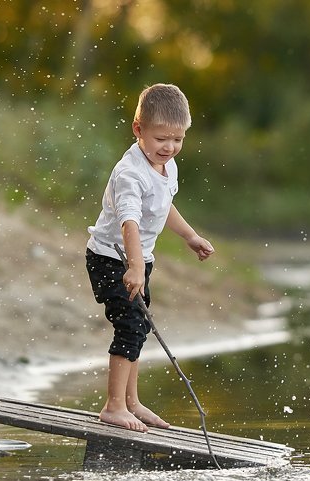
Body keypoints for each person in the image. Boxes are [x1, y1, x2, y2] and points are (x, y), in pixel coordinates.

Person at [85, 84, 214, 433]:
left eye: (178, 139)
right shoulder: (130, 173)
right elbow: (130, 220)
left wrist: (190, 236)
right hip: (112, 259)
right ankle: (113, 406)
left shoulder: (165, 167)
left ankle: (131, 401)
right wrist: (135, 266)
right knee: (128, 326)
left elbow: (162, 206)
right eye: (161, 139)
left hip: (139, 261)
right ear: (138, 129)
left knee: (139, 328)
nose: (170, 147)